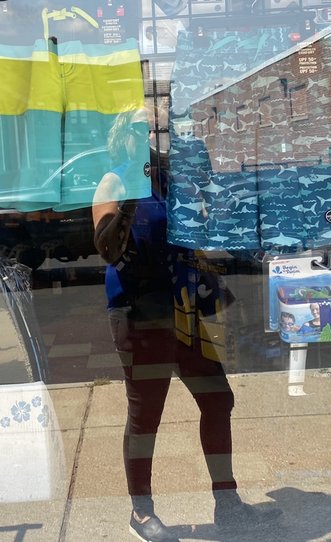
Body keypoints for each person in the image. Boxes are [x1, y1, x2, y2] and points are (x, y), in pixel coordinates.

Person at [93, 109, 268, 542]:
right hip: (140, 313)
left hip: (184, 308)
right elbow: (107, 249)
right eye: (142, 129)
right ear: (124, 137)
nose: (152, 136)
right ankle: (141, 512)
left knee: (217, 399)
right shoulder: (114, 182)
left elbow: (200, 226)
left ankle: (227, 502)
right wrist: (131, 199)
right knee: (146, 414)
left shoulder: (167, 181)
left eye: (157, 129)